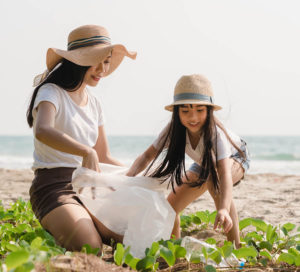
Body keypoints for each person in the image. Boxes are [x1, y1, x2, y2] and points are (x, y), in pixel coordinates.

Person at [26, 24, 136, 251]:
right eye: (95, 61)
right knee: (91, 246)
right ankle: (62, 222)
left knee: (134, 238)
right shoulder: (51, 92)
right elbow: (42, 130)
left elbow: (104, 156)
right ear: (77, 61)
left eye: (106, 61)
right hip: (54, 186)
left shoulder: (94, 102)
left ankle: (77, 222)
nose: (102, 69)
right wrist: (85, 151)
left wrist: (137, 174)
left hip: (91, 187)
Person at [127, 74, 250, 248]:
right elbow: (147, 156)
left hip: (236, 157)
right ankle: (174, 248)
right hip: (204, 164)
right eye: (185, 111)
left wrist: (223, 208)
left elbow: (223, 173)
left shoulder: (217, 134)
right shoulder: (172, 131)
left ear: (209, 110)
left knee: (214, 181)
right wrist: (129, 176)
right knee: (169, 209)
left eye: (200, 110)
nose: (193, 118)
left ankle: (235, 247)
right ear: (177, 112)